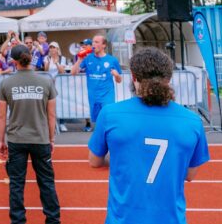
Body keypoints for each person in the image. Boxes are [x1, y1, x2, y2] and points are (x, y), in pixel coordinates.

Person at [88, 47, 209, 224]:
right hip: (171, 219)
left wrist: (125, 158)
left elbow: (94, 161)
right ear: (169, 79)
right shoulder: (192, 121)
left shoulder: (110, 114)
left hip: (123, 219)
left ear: (134, 78)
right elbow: (189, 174)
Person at [0, 44, 60, 224]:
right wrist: (51, 139)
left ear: (13, 61)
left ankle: (18, 221)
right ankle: (53, 220)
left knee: (16, 183)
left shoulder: (6, 83)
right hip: (41, 139)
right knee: (46, 182)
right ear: (30, 58)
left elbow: (1, 116)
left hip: (17, 139)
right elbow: (52, 114)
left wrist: (1, 141)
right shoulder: (46, 81)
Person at [71, 34, 122, 131]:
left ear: (104, 45)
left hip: (107, 96)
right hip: (93, 97)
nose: (93, 44)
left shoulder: (112, 60)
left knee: (108, 119)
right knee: (98, 123)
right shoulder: (88, 58)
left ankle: (110, 141)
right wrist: (79, 60)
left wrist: (116, 75)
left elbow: (119, 81)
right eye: (93, 42)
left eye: (97, 42)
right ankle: (102, 143)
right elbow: (73, 73)